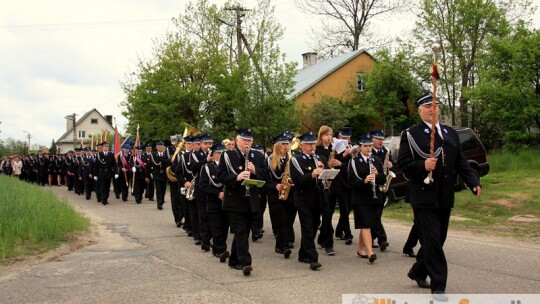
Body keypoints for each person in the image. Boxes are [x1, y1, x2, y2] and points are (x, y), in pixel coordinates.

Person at [397, 93, 481, 300]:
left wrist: (473, 181)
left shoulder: (450, 133)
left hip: (444, 195)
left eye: (435, 105)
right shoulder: (411, 134)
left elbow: (461, 160)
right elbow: (403, 164)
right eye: (427, 106)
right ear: (420, 111)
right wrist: (422, 166)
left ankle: (417, 271)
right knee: (433, 241)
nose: (432, 109)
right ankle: (439, 285)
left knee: (438, 239)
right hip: (423, 195)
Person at [217, 128, 267, 276]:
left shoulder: (257, 156)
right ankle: (246, 262)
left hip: (251, 200)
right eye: (244, 140)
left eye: (249, 141)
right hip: (234, 200)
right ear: (237, 140)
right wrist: (236, 178)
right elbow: (220, 175)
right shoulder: (228, 155)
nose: (247, 143)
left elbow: (265, 175)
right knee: (240, 230)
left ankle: (234, 260)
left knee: (243, 232)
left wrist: (255, 170)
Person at [289, 131, 328, 270]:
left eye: (314, 144)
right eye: (309, 144)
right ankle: (313, 258)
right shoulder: (296, 160)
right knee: (307, 228)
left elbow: (328, 176)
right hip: (303, 199)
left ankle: (303, 254)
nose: (312, 147)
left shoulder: (320, 158)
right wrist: (312, 174)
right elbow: (297, 180)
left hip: (317, 198)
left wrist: (324, 170)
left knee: (314, 226)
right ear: (303, 145)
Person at [347, 135, 385, 264]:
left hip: (374, 197)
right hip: (360, 198)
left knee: (368, 223)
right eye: (366, 146)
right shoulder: (354, 161)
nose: (368, 148)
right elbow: (351, 180)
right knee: (365, 224)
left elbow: (383, 179)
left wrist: (377, 175)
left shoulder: (376, 160)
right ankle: (370, 253)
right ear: (360, 147)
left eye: (370, 146)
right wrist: (364, 181)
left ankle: (360, 249)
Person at [264, 133, 297, 259]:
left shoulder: (292, 159)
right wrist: (275, 186)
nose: (286, 146)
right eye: (283, 143)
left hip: (291, 193)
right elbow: (265, 179)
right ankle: (283, 247)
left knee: (289, 220)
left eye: (287, 143)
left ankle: (282, 243)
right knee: (282, 221)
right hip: (276, 195)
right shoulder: (268, 160)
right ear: (277, 145)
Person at [199, 143, 230, 262]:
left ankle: (221, 247)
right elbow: (203, 186)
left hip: (227, 201)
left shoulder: (228, 168)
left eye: (223, 153)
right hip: (213, 202)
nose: (221, 155)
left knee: (225, 225)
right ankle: (219, 249)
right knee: (216, 226)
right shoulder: (207, 168)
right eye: (219, 153)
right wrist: (217, 193)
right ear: (213, 155)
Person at [314, 125, 335, 256]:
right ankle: (320, 239)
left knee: (328, 216)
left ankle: (328, 243)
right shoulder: (316, 149)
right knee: (316, 219)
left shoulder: (334, 149)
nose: (329, 137)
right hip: (317, 187)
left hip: (330, 186)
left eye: (331, 135)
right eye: (327, 134)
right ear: (321, 136)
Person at [369, 130, 391, 252]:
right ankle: (382, 239)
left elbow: (393, 166)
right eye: (378, 139)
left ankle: (371, 237)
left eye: (382, 139)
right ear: (372, 139)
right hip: (372, 187)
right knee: (375, 214)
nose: (380, 141)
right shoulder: (368, 151)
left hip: (383, 186)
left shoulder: (385, 152)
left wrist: (392, 165)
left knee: (377, 214)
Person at [147, 142, 170, 210]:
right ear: (156, 148)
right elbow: (149, 165)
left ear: (163, 147)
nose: (160, 148)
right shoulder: (153, 155)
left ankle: (162, 201)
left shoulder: (166, 155)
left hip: (164, 174)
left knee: (163, 190)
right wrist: (149, 174)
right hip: (156, 174)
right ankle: (159, 203)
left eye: (161, 147)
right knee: (158, 189)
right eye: (159, 147)